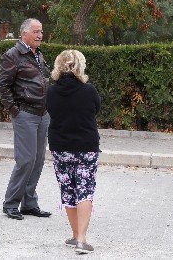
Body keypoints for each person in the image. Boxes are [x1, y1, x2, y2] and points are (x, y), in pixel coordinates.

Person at [46, 50, 101, 255]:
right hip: (86, 146)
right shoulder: (89, 90)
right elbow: (96, 109)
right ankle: (82, 239)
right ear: (80, 66)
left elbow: (50, 111)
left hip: (60, 147)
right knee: (85, 191)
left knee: (68, 191)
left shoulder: (51, 92)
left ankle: (75, 234)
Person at [0, 18, 51, 220]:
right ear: (24, 33)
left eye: (41, 31)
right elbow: (3, 86)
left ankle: (29, 203)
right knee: (26, 160)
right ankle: (11, 203)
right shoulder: (13, 55)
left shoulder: (38, 55)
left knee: (38, 160)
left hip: (42, 114)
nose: (40, 35)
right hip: (25, 114)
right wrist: (14, 110)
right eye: (36, 31)